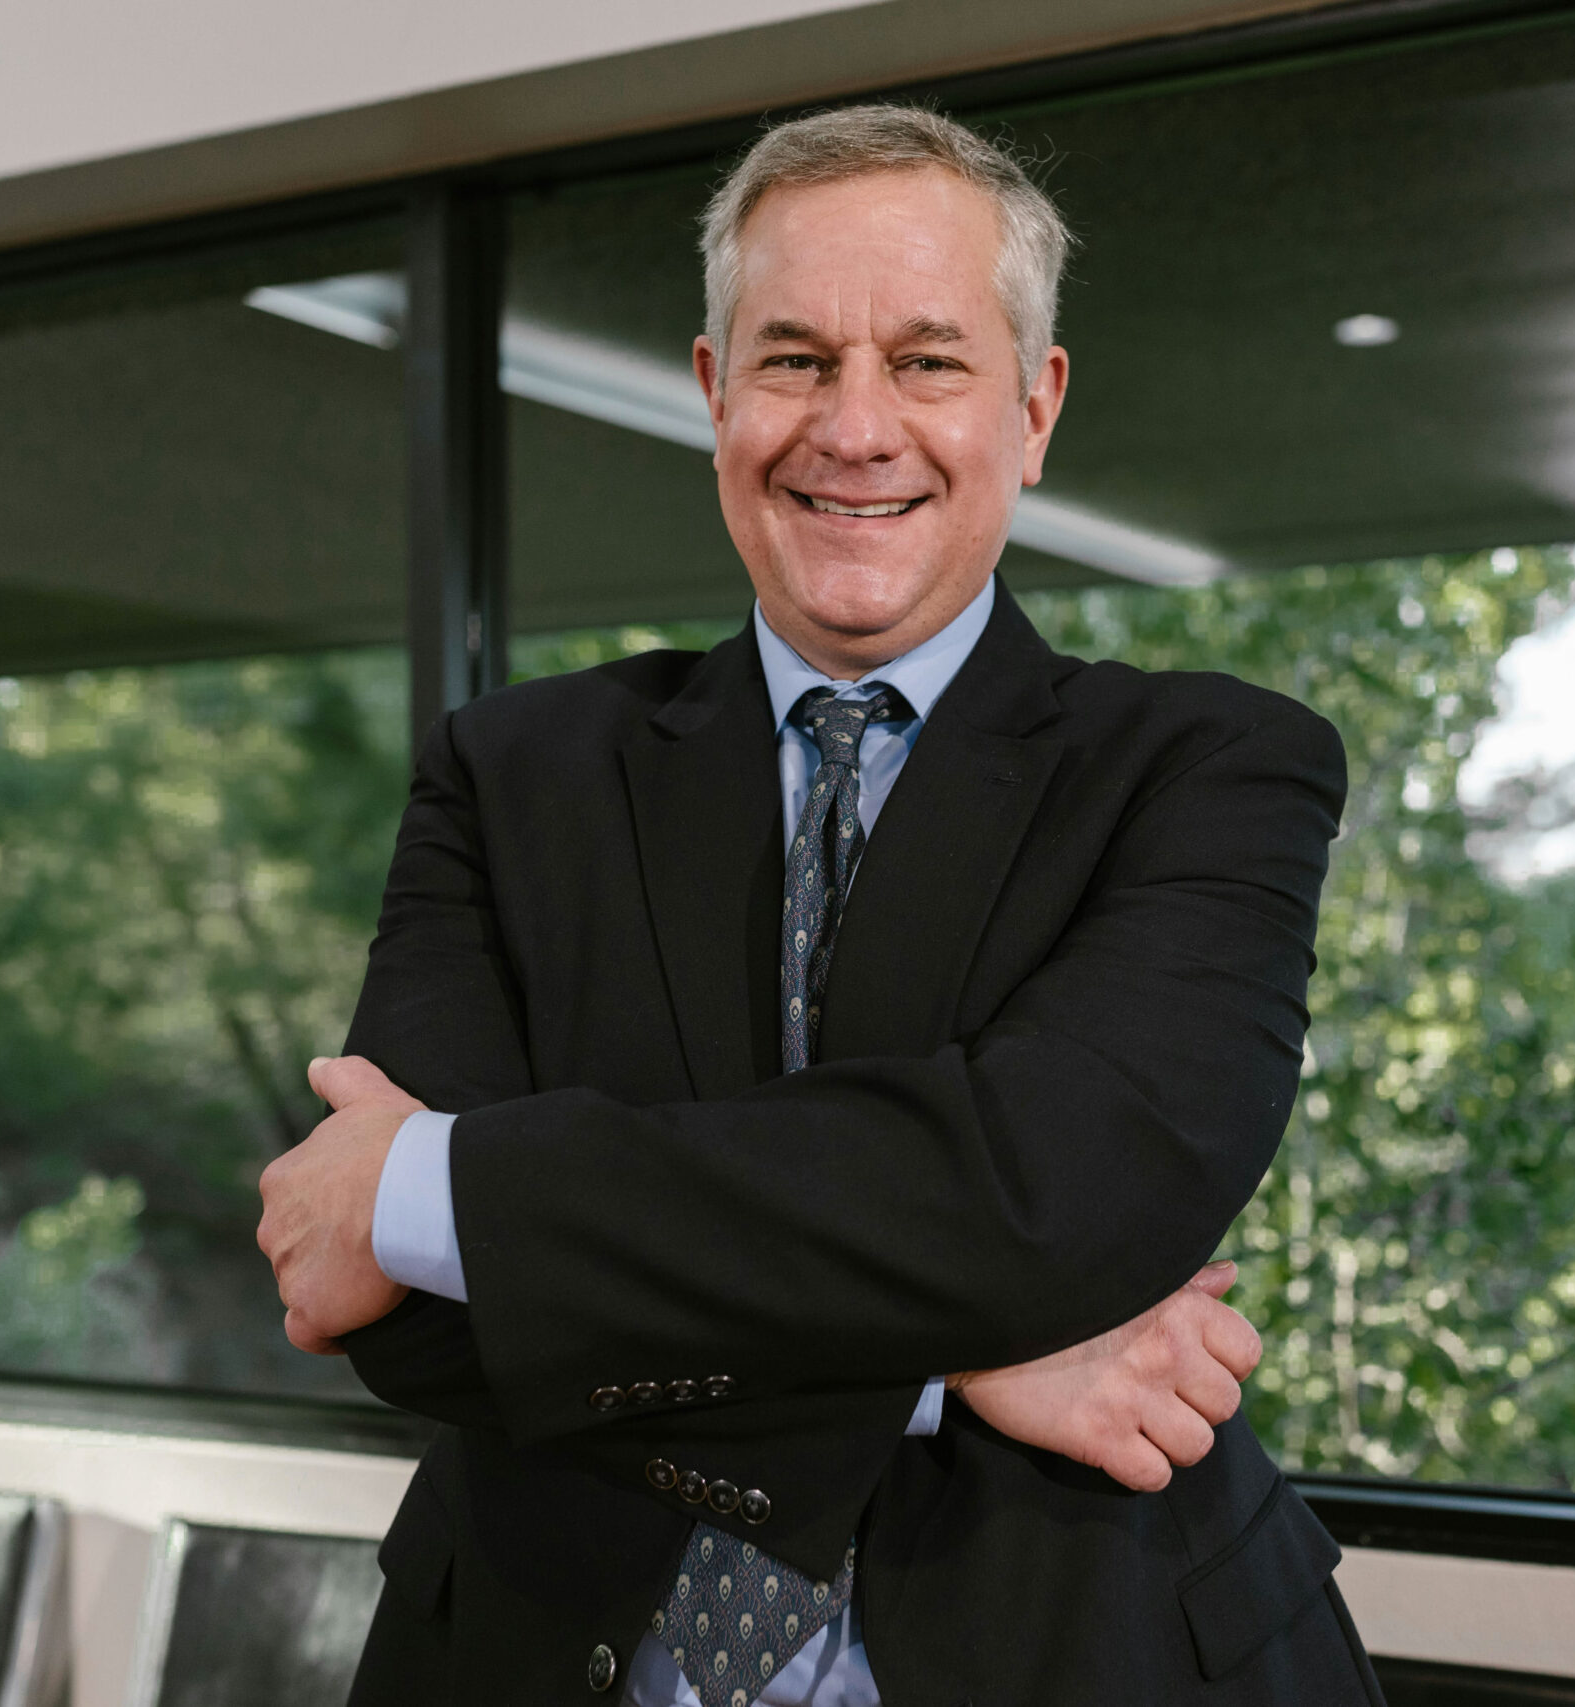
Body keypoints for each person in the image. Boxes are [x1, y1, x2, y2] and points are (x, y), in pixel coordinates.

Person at [256, 103, 1380, 1706]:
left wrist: (442, 1192)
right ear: (714, 391)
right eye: (793, 359)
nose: (855, 428)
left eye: (927, 361)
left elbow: (1047, 1200)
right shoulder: (510, 776)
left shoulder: (1211, 769)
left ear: (1034, 404)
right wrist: (968, 1358)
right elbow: (414, 1322)